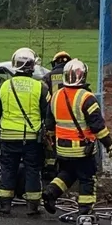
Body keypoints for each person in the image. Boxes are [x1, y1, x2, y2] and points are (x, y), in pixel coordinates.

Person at [42, 58, 112, 225]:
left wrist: (51, 140)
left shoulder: (56, 96)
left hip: (62, 149)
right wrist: (109, 144)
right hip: (83, 149)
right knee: (86, 179)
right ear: (83, 76)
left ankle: (51, 192)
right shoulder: (86, 98)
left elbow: (49, 124)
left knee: (67, 173)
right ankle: (85, 212)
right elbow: (98, 127)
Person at [0, 48, 49, 216]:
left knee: (8, 169)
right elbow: (47, 114)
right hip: (31, 139)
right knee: (32, 170)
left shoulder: (4, 86)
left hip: (8, 137)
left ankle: (5, 205)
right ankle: (32, 206)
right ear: (31, 67)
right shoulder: (40, 87)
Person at [41, 51, 71, 186]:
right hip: (71, 119)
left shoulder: (47, 77)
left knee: (51, 148)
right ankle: (66, 172)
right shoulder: (73, 76)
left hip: (52, 118)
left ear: (54, 63)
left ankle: (50, 174)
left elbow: (43, 99)